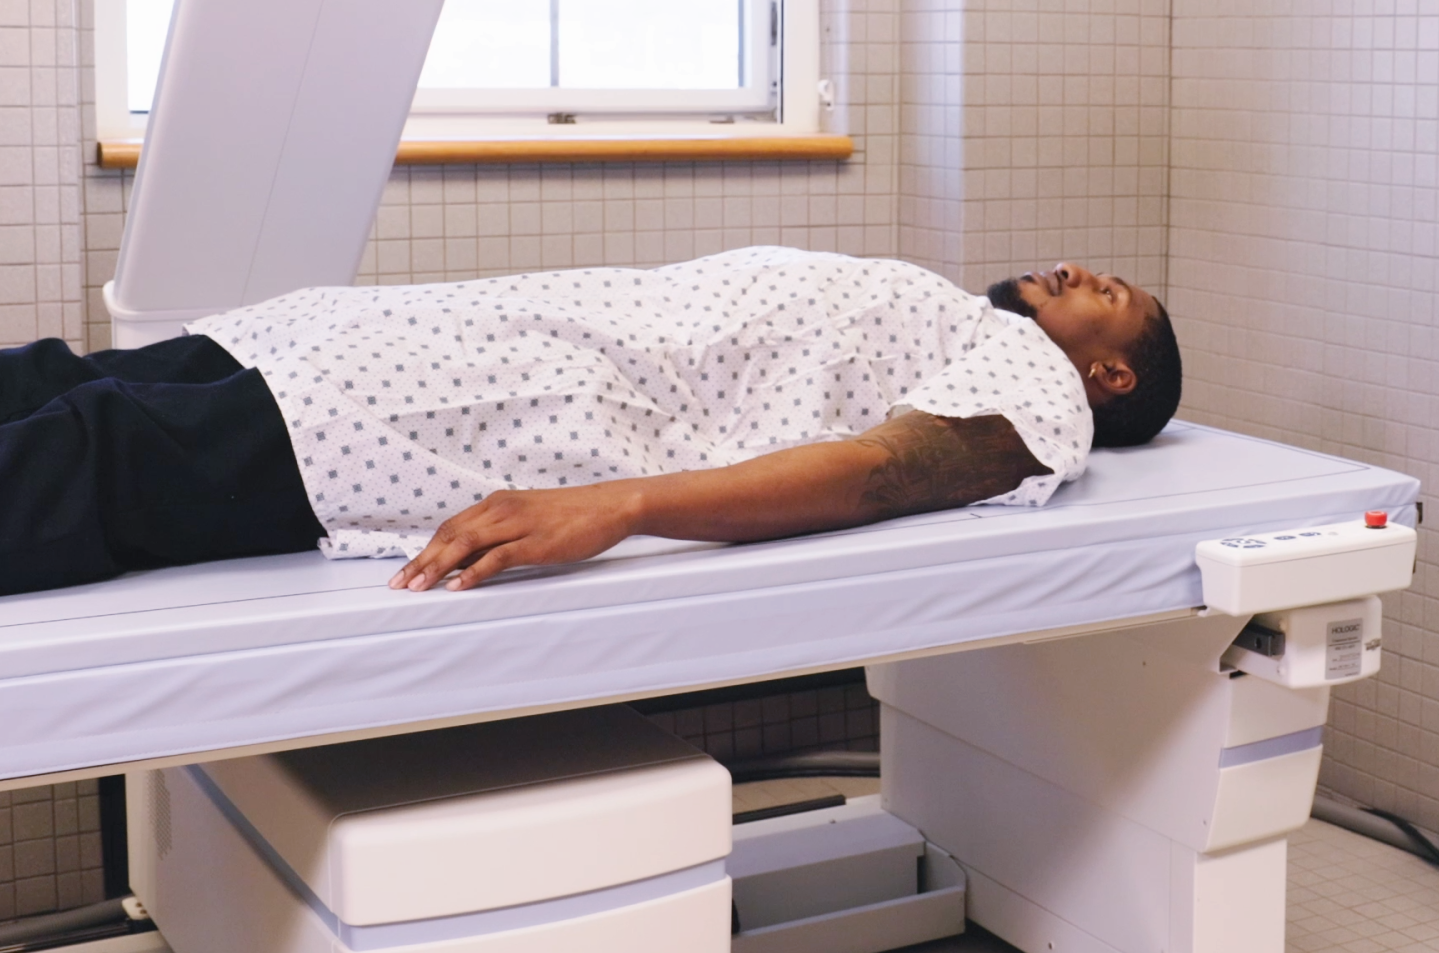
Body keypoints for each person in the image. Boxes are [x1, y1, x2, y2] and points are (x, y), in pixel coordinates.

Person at [0, 249, 1181, 597]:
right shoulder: (953, 321)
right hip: (423, 340)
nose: (1076, 268)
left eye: (1106, 294)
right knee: (64, 381)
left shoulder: (1031, 394)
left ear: (1110, 377)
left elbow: (879, 473)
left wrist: (614, 504)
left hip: (502, 412)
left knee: (99, 451)